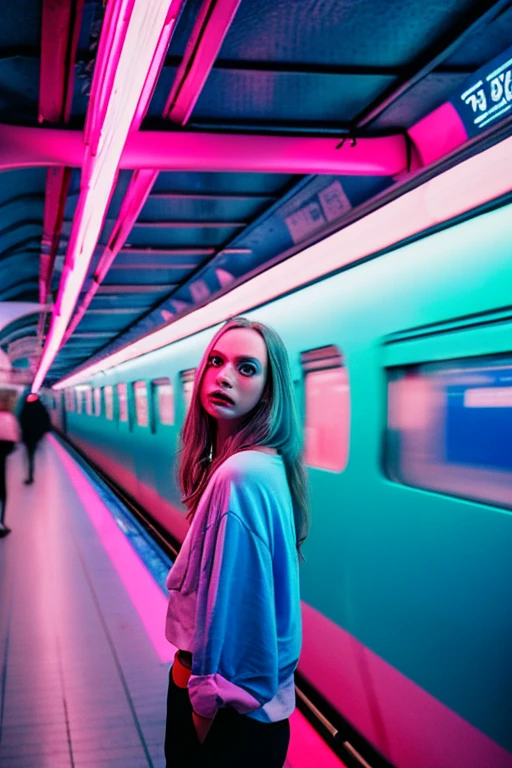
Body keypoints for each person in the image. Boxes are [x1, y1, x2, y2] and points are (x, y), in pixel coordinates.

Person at [164, 317, 309, 768]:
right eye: (215, 361)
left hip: (225, 718)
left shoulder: (238, 476)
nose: (224, 375)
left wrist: (202, 710)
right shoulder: (268, 465)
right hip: (253, 717)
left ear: (269, 390)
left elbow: (240, 619)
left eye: (247, 368)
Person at [0, 390, 21, 537]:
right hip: (1, 459)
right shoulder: (9, 417)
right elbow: (13, 440)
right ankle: (1, 523)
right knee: (2, 491)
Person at [19, 393, 51, 485]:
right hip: (38, 435)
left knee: (29, 455)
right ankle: (35, 473)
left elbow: (22, 421)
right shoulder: (41, 408)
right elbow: (46, 420)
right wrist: (44, 431)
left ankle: (30, 476)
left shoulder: (25, 408)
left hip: (28, 436)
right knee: (35, 453)